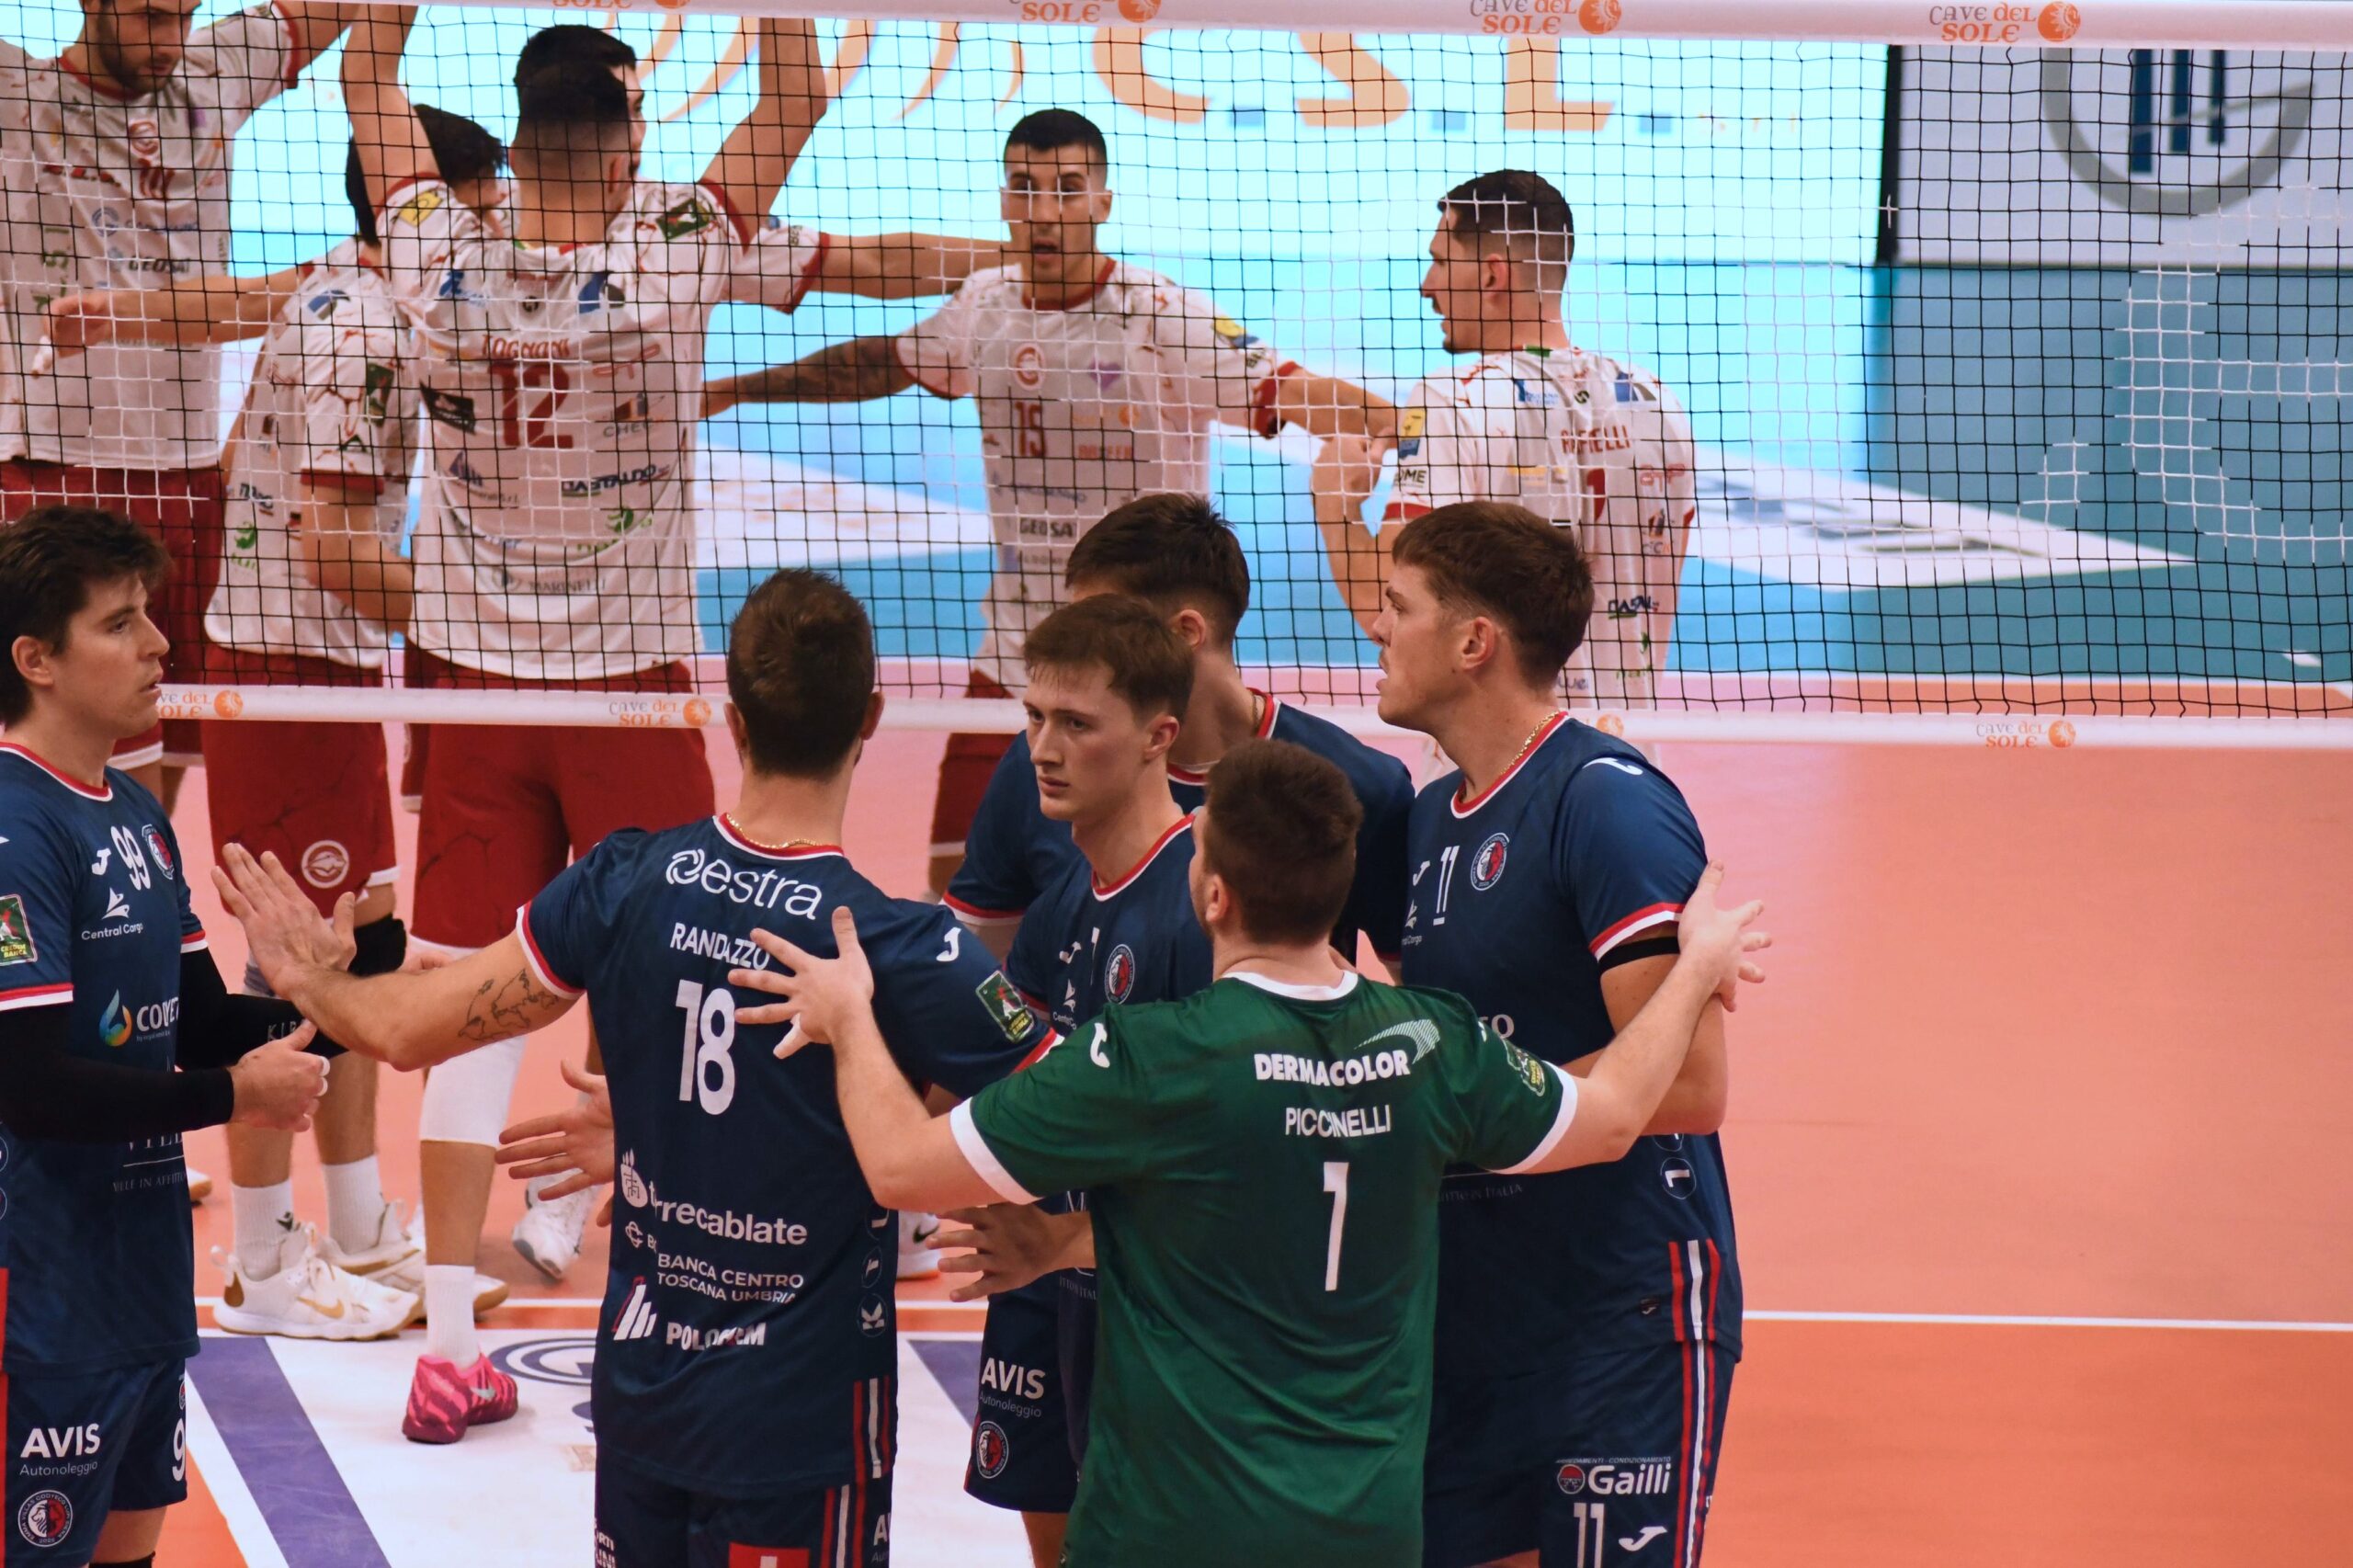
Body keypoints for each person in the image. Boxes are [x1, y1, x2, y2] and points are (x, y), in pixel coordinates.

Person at [726, 738, 1769, 1568]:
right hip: (1364, 1532)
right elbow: (1617, 1113)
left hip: (1170, 1532)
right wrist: (1695, 967)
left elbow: (900, 1169)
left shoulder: (1148, 1059)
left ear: (1214, 894)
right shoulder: (1434, 1045)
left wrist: (848, 1017)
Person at [215, 569, 1052, 1556]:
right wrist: (1063, 1245)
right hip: (800, 1430)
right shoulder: (902, 947)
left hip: (644, 1407)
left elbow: (407, 1031)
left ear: (731, 718)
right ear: (871, 717)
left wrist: (307, 977)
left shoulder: (622, 882)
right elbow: (1074, 1121)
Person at [338, 5, 824, 1432]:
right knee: (680, 1009)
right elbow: (792, 93)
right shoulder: (675, 249)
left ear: (522, 131)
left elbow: (368, 73)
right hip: (621, 693)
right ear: (623, 148)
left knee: (463, 1013)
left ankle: (447, 1344)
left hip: (475, 695)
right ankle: (676, 1322)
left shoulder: (426, 246)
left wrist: (381, 29)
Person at [700, 108, 1393, 904]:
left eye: (1067, 189)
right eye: (1025, 188)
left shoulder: (1159, 314)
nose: (1045, 211)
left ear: (1103, 202)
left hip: (1134, 675)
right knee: (957, 890)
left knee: (1163, 892)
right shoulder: (986, 302)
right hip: (1016, 657)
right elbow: (882, 363)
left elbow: (1292, 389)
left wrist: (1392, 425)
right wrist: (732, 390)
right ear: (1004, 202)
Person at [1372, 502, 1740, 1568]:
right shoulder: (1425, 820)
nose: (1374, 627)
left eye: (1398, 606)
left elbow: (1691, 1083)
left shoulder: (1605, 802)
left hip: (1619, 1307)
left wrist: (1455, 1117)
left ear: (1473, 641)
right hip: (1470, 1302)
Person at [199, 110, 509, 1341]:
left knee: (364, 949)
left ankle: (363, 1223)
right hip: (288, 674)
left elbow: (243, 457)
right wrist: (485, 623)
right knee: (297, 964)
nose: (502, 223)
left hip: (318, 666)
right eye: (487, 200)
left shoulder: (357, 297)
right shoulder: (361, 329)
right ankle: (265, 1264)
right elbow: (331, 546)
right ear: (422, 201)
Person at [0, 504, 341, 1568]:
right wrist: (235, 1097)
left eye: (149, 614)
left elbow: (201, 1021)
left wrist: (349, 1002)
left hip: (142, 1283)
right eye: (120, 623)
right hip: (38, 1297)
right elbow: (29, 1084)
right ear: (36, 659)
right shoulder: (14, 827)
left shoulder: (135, 815)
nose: (159, 643)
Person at [0, 0, 358, 803]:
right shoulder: (16, 91)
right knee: (53, 760)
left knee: (159, 751)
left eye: (184, 17)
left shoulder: (214, 70)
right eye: (150, 18)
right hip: (56, 470)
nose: (168, 40)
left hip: (190, 479)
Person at [957, 595, 1218, 1565]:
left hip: (1168, 1322)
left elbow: (1233, 1172)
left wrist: (1059, 1243)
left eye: (1076, 723)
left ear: (1158, 737)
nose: (1042, 748)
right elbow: (990, 1079)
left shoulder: (1199, 907)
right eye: (1033, 717)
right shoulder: (1067, 890)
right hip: (1060, 1289)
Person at [944, 493, 1413, 971]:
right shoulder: (1041, 769)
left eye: (1107, 625)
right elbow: (969, 962)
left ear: (1186, 632)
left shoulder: (1360, 787)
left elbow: (1414, 989)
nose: (1081, 643)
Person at [1315, 170, 1697, 711]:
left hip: (1502, 753)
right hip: (1628, 744)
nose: (1427, 285)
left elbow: (1390, 611)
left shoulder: (1449, 401)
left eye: (1441, 262)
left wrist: (1336, 501)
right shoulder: (1656, 401)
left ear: (1493, 274)